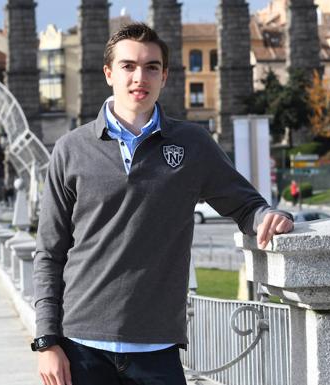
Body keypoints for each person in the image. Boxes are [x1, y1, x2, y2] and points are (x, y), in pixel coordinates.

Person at [32, 23, 294, 385]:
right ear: (109, 73)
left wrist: (271, 216)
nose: (140, 76)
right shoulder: (71, 149)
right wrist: (47, 341)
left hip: (157, 349)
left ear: (164, 75)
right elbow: (49, 252)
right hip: (81, 347)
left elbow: (246, 206)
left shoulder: (192, 144)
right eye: (128, 66)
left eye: (151, 67)